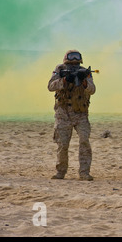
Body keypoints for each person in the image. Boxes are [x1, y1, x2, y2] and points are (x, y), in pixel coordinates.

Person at [48, 50, 96, 180]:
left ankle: (84, 172)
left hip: (80, 113)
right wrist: (64, 80)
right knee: (62, 144)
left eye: (76, 63)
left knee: (84, 141)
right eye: (71, 63)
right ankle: (61, 171)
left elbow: (92, 90)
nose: (74, 66)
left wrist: (84, 81)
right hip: (63, 113)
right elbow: (50, 86)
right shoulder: (59, 70)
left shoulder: (85, 72)